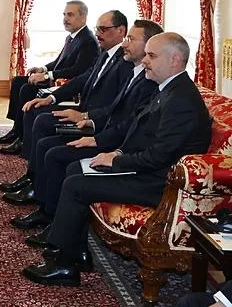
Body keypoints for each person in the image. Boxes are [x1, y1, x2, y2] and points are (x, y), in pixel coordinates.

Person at [21, 32, 211, 287]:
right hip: (148, 171)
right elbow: (141, 133)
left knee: (77, 185)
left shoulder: (181, 100)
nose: (145, 61)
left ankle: (64, 265)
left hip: (159, 184)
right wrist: (118, 153)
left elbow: (158, 156)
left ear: (175, 60)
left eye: (152, 56)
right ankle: (77, 251)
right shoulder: (169, 89)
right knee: (76, 167)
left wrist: (116, 160)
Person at [9, 20, 161, 237]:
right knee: (43, 133)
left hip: (111, 139)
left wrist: (92, 125)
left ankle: (49, 211)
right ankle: (38, 191)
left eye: (130, 38)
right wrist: (59, 100)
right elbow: (87, 81)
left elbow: (127, 121)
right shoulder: (119, 61)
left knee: (52, 150)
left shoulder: (141, 74)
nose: (125, 44)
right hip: (100, 126)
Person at [0, 10, 131, 204]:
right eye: (97, 28)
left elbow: (117, 107)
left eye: (103, 29)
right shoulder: (106, 53)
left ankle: (35, 184)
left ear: (121, 31)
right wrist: (51, 98)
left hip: (96, 121)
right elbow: (83, 79)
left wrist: (86, 116)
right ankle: (32, 177)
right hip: (84, 112)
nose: (98, 33)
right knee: (37, 112)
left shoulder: (126, 62)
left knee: (42, 123)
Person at [0, 1, 99, 155]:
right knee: (18, 81)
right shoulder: (72, 37)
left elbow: (78, 71)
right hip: (57, 78)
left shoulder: (88, 41)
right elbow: (59, 62)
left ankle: (23, 139)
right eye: (64, 15)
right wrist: (43, 69)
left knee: (27, 89)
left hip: (67, 85)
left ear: (83, 18)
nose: (65, 19)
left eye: (70, 15)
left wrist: (46, 75)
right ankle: (16, 129)